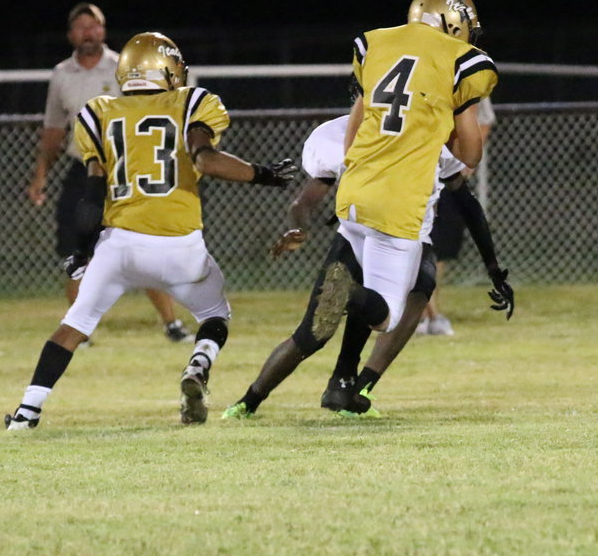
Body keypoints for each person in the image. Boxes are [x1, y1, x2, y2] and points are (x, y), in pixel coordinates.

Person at [4, 32, 297, 429]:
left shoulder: (100, 112)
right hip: (179, 244)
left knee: (74, 325)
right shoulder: (191, 103)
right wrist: (262, 174)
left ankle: (27, 413)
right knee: (215, 313)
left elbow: (92, 196)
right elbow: (206, 160)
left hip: (119, 245)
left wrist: (82, 251)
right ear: (169, 70)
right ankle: (198, 363)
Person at [220, 115, 513, 419]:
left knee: (317, 331)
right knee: (394, 308)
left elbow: (303, 203)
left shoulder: (344, 133)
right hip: (399, 236)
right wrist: (493, 267)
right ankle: (355, 387)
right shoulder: (422, 133)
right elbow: (467, 202)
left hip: (355, 234)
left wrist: (299, 229)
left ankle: (269, 399)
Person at [337, 0, 496, 366]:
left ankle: (344, 378)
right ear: (454, 22)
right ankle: (346, 293)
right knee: (387, 316)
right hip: (401, 200)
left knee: (376, 289)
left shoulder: (375, 43)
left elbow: (354, 129)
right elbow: (470, 152)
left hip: (353, 193)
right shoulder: (460, 61)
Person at [25, 3, 190, 342]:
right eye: (81, 26)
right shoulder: (62, 74)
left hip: (127, 171)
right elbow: (54, 130)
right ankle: (79, 331)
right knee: (77, 251)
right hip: (83, 171)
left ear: (103, 30)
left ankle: (172, 325)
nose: (89, 32)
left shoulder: (124, 68)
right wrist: (40, 175)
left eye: (94, 25)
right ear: (70, 35)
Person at [420, 95, 498, 336]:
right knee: (415, 241)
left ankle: (426, 313)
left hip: (447, 173)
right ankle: (426, 315)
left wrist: (466, 162)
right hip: (416, 169)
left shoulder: (469, 80)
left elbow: (484, 120)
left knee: (439, 245)